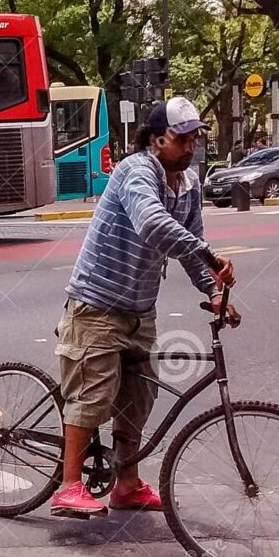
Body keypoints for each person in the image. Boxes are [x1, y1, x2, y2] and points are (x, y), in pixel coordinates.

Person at [52, 96, 240, 518]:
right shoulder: (134, 171)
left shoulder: (188, 184)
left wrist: (213, 292)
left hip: (140, 311)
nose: (191, 147)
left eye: (195, 138)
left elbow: (189, 250)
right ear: (157, 140)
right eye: (182, 138)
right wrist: (212, 257)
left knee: (136, 400)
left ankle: (127, 485)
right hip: (97, 304)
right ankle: (68, 486)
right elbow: (154, 225)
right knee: (90, 396)